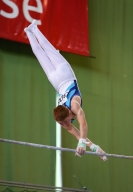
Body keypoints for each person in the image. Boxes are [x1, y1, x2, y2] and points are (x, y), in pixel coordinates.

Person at [24, 20, 107, 161]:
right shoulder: (64, 117)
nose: (65, 125)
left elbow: (83, 125)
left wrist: (82, 143)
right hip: (55, 80)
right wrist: (94, 148)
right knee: (41, 55)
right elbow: (79, 134)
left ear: (69, 113)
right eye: (62, 124)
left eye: (65, 122)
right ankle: (29, 32)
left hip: (64, 73)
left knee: (46, 50)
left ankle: (34, 29)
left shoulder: (74, 106)